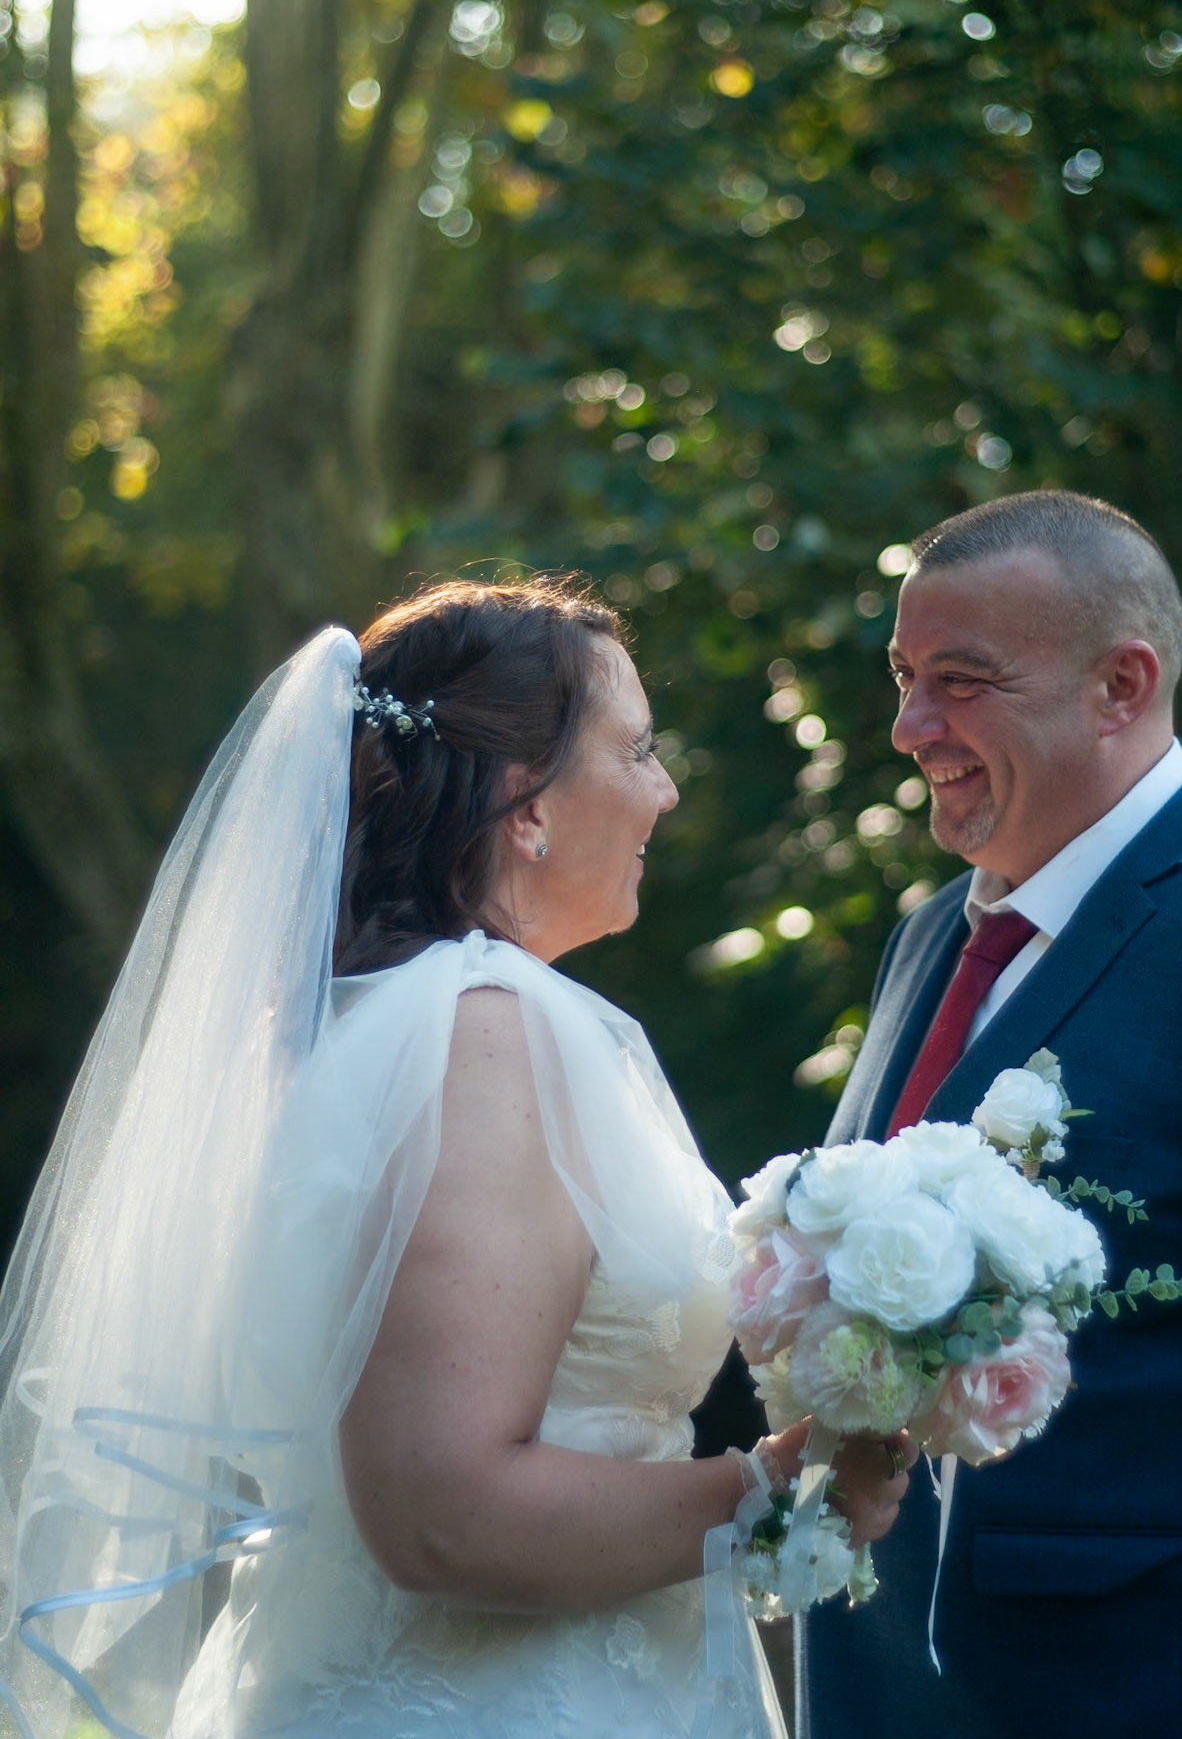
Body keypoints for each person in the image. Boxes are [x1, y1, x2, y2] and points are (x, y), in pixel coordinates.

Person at [0, 576, 908, 1739]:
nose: (667, 789)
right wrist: (771, 1489)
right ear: (525, 805)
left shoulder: (385, 1024)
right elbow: (442, 1512)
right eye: (638, 749)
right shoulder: (483, 1035)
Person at [799, 491, 1182, 1739]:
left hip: (1171, 1692)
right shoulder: (930, 937)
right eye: (904, 676)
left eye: (960, 681)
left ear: (1121, 685)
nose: (909, 725)